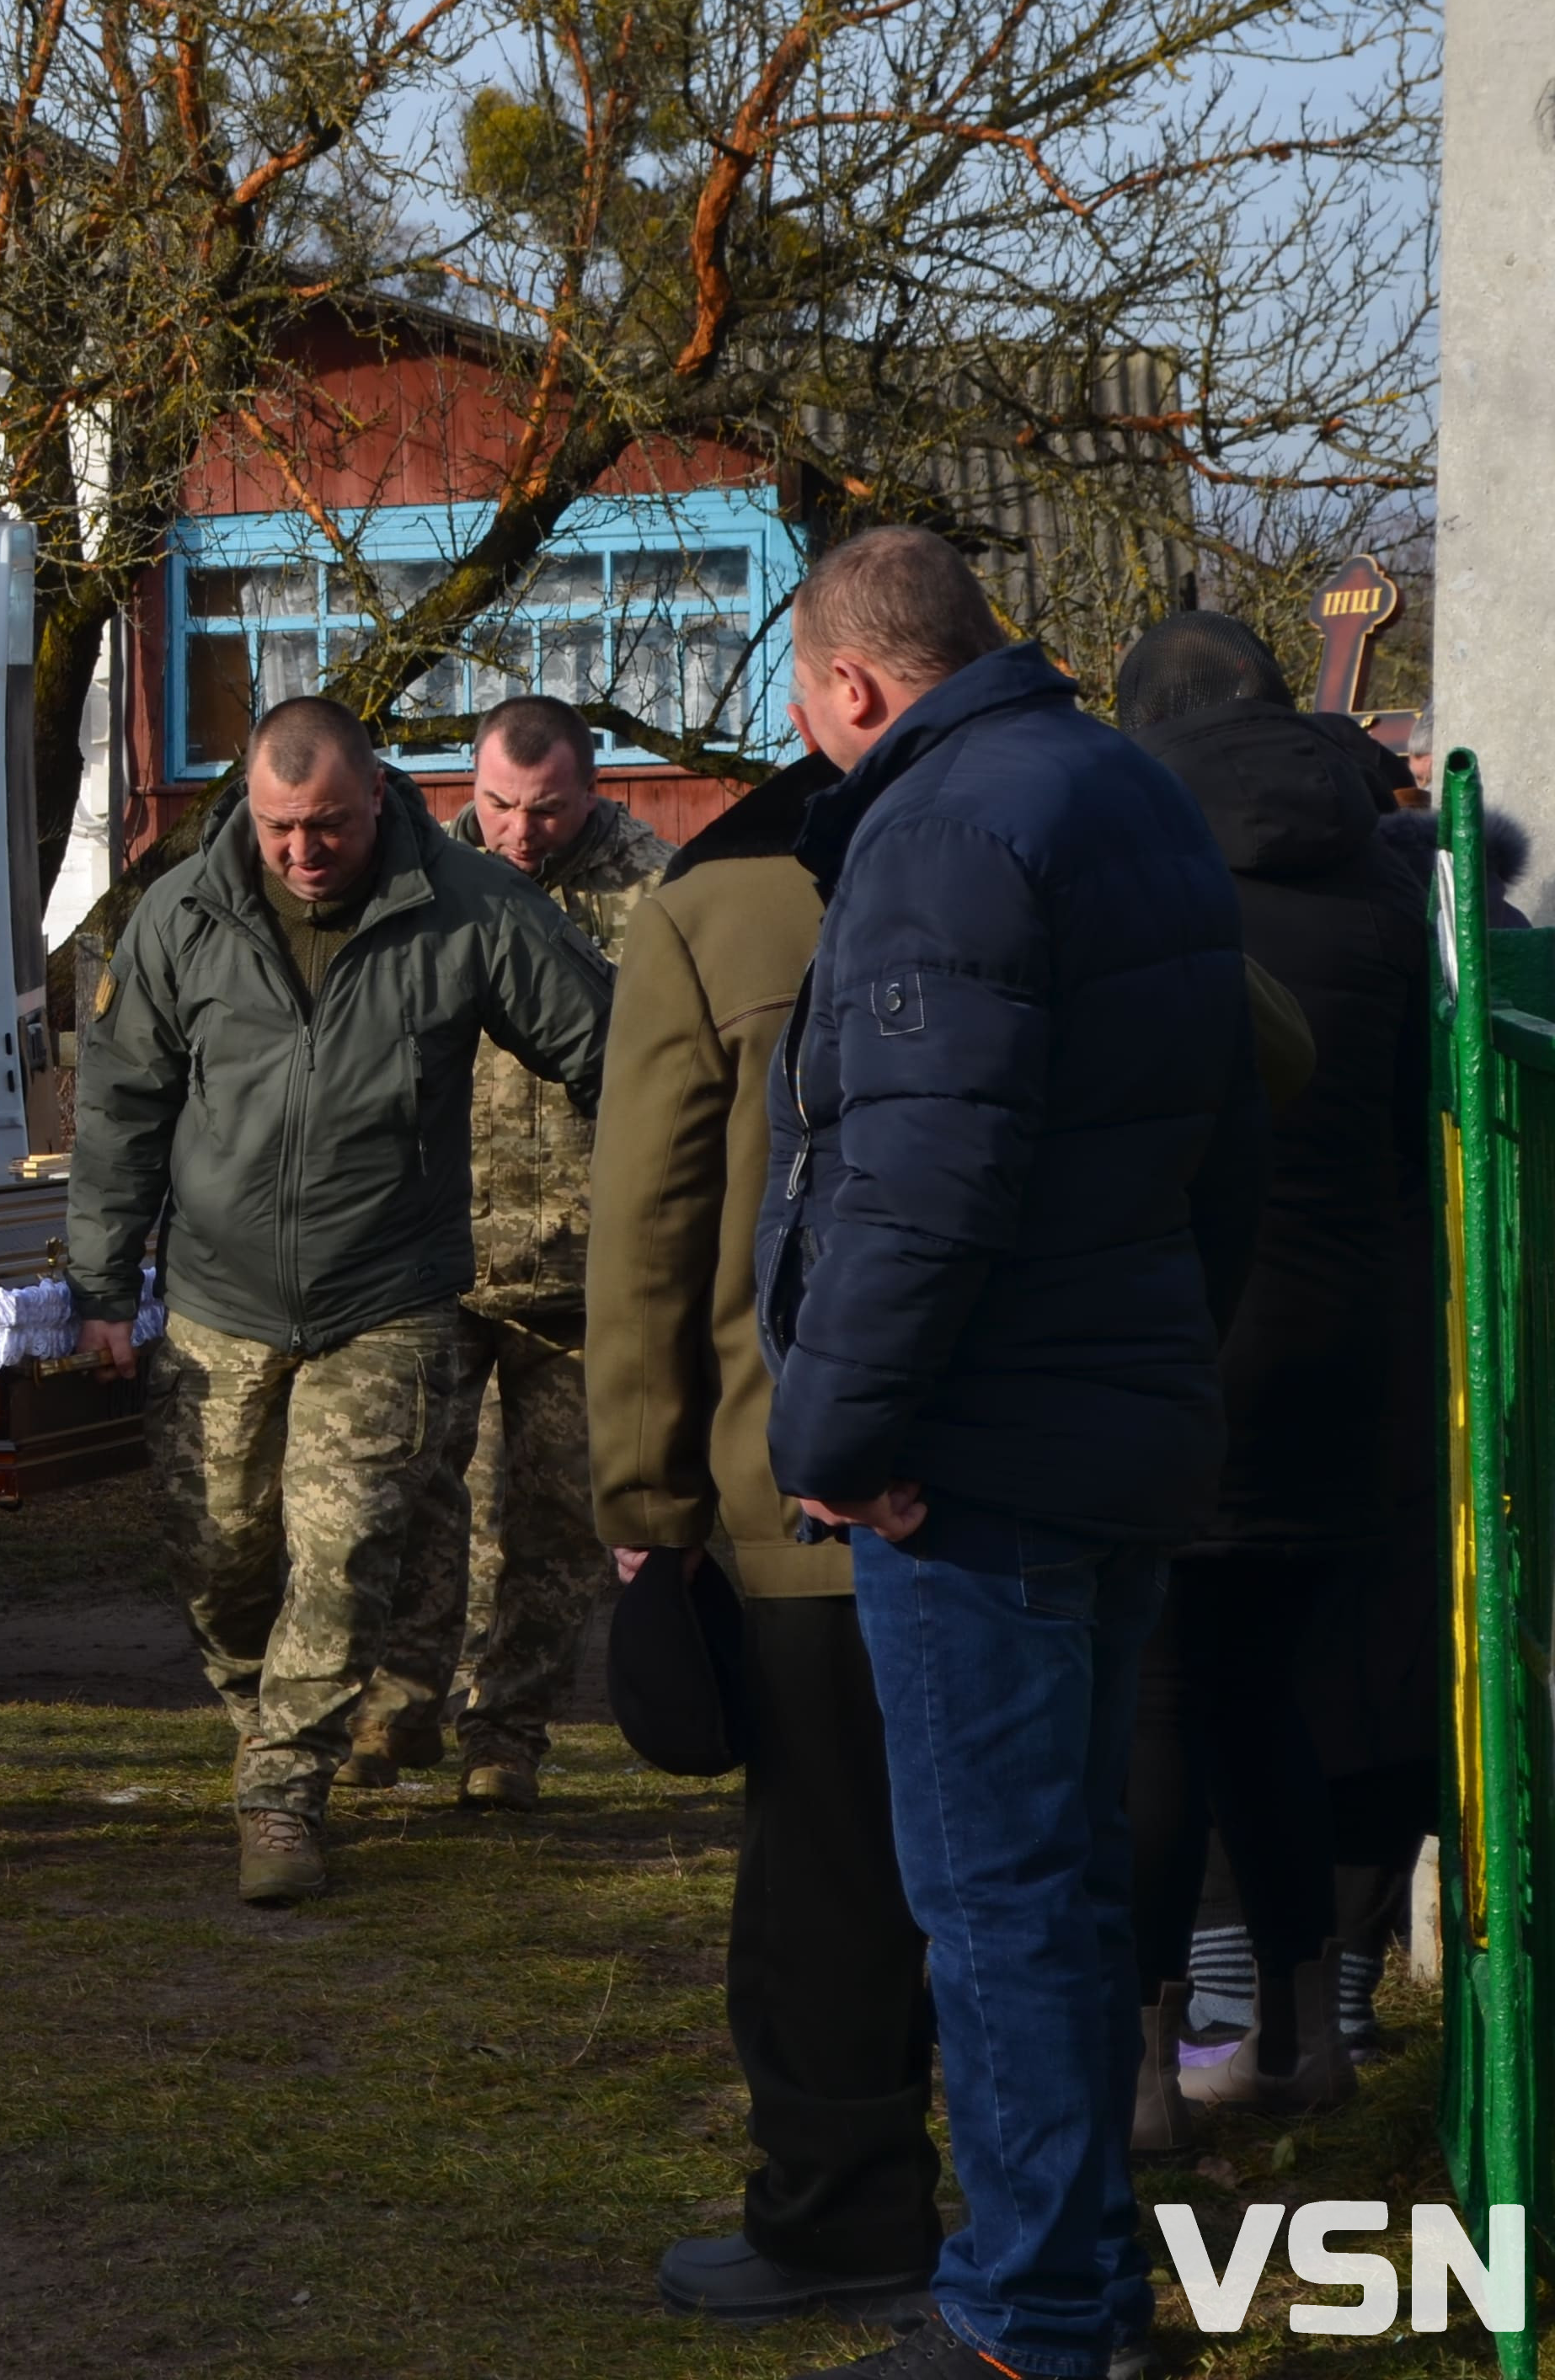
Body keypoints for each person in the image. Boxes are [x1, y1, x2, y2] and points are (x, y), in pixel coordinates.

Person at [756, 530, 1258, 2380]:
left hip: (973, 1457)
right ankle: (1087, 2293)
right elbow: (1229, 1141)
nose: (808, 739)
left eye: (803, 704)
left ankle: (1035, 2318)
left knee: (995, 1902)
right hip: (1109, 1412)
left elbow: (916, 1177)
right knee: (1060, 1881)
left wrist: (839, 1426)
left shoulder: (945, 830)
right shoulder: (1124, 790)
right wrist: (1153, 1370)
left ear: (855, 687)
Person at [65, 695, 614, 1907]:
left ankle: (282, 1796)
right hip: (218, 1296)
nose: (303, 852)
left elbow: (615, 1049)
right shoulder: (182, 917)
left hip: (388, 1297)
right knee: (220, 1558)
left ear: (380, 796)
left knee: (344, 1548)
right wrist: (104, 1284)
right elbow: (119, 1111)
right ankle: (271, 1725)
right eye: (277, 829)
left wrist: (652, 1214)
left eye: (326, 826)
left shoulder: (466, 906)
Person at [589, 750, 945, 2332]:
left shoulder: (712, 913)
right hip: (1052, 1475)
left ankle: (839, 2203)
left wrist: (646, 1507)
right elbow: (1247, 1069)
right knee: (1037, 1865)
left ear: (837, 698)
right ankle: (1047, 2207)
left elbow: (649, 1230)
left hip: (798, 1487)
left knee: (821, 1884)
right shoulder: (1093, 848)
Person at [1110, 613, 1430, 2140]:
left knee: (1158, 1698)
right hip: (1349, 1343)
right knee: (1270, 1696)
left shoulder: (1132, 863)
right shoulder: (1389, 870)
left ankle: (1146, 2053)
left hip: (1188, 1320)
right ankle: (1304, 2032)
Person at [357, 694, 668, 1808]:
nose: (521, 831)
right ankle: (397, 1706)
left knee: (553, 1520)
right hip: (443, 1248)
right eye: (498, 805)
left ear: (595, 788)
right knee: (407, 1489)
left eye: (547, 809)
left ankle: (509, 1736)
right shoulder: (429, 883)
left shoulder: (660, 894)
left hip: (592, 1270)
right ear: (464, 790)